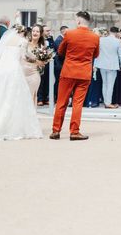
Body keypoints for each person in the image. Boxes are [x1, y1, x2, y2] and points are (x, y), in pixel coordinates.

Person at [51, 11, 100, 141]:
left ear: (78, 21)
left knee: (61, 102)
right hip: (84, 72)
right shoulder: (95, 37)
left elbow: (60, 51)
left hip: (68, 71)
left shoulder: (70, 34)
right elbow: (96, 54)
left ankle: (56, 131)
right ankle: (74, 131)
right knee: (78, 103)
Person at [94, 26, 121, 109]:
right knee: (110, 85)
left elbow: (97, 53)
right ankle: (108, 103)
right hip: (112, 65)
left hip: (102, 64)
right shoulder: (117, 41)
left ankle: (106, 101)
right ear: (117, 32)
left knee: (105, 84)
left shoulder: (101, 40)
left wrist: (95, 64)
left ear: (110, 31)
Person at [22, 24, 47, 106]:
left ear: (40, 34)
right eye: (33, 31)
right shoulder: (25, 43)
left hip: (34, 74)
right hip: (23, 73)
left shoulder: (42, 47)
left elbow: (43, 62)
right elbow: (24, 57)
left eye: (37, 31)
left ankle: (31, 116)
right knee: (22, 96)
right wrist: (36, 61)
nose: (35, 33)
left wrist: (43, 63)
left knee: (32, 95)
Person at [37, 25, 55, 106]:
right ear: (42, 31)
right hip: (40, 62)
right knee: (41, 80)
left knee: (48, 80)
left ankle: (45, 98)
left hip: (48, 63)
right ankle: (39, 98)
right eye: (47, 31)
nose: (49, 32)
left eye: (49, 30)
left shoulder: (50, 39)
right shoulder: (39, 39)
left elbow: (54, 48)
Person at [52, 25, 68, 102]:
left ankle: (59, 97)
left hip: (61, 63)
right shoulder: (59, 40)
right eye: (67, 31)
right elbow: (60, 53)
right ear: (63, 31)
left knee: (60, 81)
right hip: (59, 64)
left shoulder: (63, 39)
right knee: (58, 81)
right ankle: (56, 97)